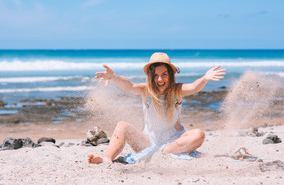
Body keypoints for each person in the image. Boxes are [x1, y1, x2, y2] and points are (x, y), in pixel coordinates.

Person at [88, 52, 226, 164]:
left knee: (198, 135)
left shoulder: (176, 90)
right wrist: (113, 77)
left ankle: (162, 153)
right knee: (121, 126)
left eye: (164, 74)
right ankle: (106, 158)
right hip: (148, 143)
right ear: (150, 76)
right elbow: (130, 86)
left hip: (173, 143)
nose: (160, 79)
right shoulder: (146, 90)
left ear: (170, 75)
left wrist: (205, 79)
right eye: (155, 75)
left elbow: (194, 87)